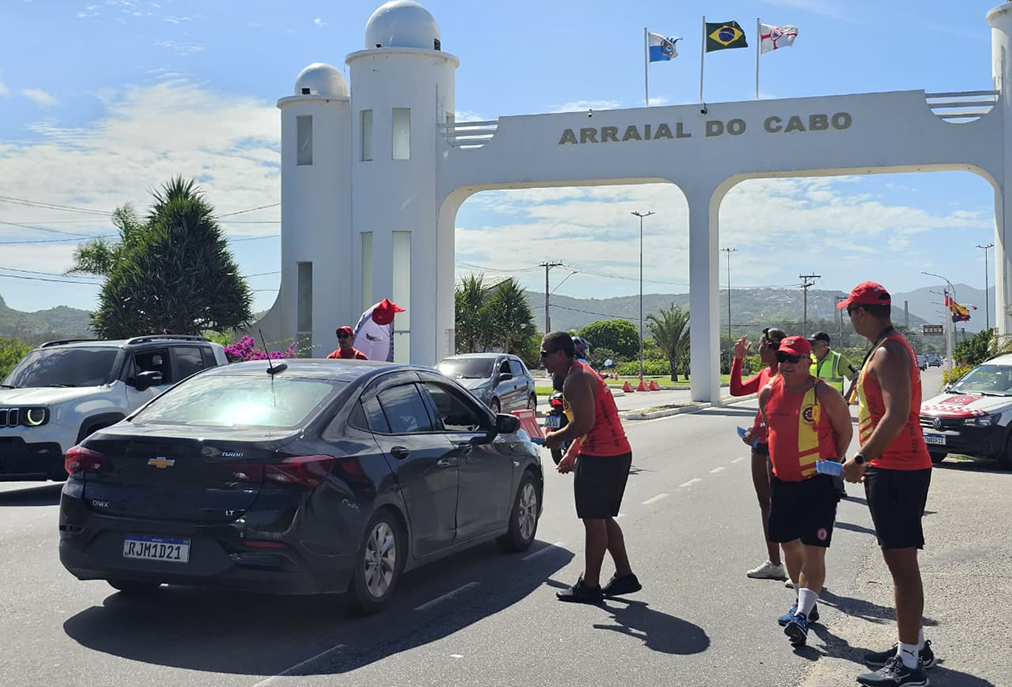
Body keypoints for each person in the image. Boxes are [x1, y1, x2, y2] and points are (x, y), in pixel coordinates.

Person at [838, 282, 935, 687]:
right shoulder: (890, 347)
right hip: (894, 467)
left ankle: (909, 666)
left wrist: (862, 459)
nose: (849, 318)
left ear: (862, 313)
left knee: (902, 568)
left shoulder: (889, 351)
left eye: (850, 312)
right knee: (900, 563)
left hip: (897, 468)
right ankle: (915, 646)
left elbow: (895, 417)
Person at [758, 336, 852, 647]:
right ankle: (805, 605)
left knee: (814, 549)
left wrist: (831, 464)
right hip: (782, 482)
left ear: (808, 361)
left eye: (793, 359)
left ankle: (800, 615)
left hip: (817, 483)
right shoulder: (769, 390)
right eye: (782, 358)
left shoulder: (824, 393)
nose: (785, 364)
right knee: (789, 547)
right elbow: (770, 427)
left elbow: (844, 432)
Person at [542, 331, 639, 604]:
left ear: (561, 354)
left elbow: (582, 424)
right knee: (604, 517)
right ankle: (624, 576)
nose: (542, 360)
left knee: (594, 521)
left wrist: (555, 438)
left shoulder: (575, 380)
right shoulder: (582, 373)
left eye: (545, 354)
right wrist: (572, 453)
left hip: (602, 456)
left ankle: (590, 585)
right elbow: (589, 423)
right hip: (612, 452)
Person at [730, 327, 788, 581]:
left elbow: (783, 413)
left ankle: (796, 564)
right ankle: (775, 562)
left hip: (781, 444)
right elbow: (736, 390)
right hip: (760, 446)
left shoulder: (788, 373)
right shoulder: (765, 373)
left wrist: (757, 428)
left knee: (783, 504)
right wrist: (738, 359)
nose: (759, 349)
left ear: (775, 347)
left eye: (763, 344)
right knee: (765, 503)